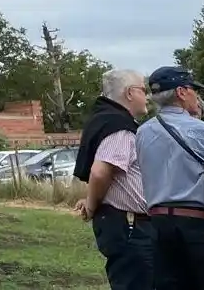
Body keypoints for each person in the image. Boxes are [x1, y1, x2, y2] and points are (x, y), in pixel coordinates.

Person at [73, 69, 153, 289]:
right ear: (129, 93)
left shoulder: (106, 120)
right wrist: (91, 205)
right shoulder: (119, 127)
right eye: (143, 90)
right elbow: (101, 171)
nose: (147, 97)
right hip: (130, 228)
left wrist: (92, 197)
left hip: (125, 225)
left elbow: (114, 179)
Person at [137, 65, 204, 289]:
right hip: (196, 223)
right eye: (193, 90)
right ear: (181, 91)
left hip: (158, 224)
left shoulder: (142, 132)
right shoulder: (200, 131)